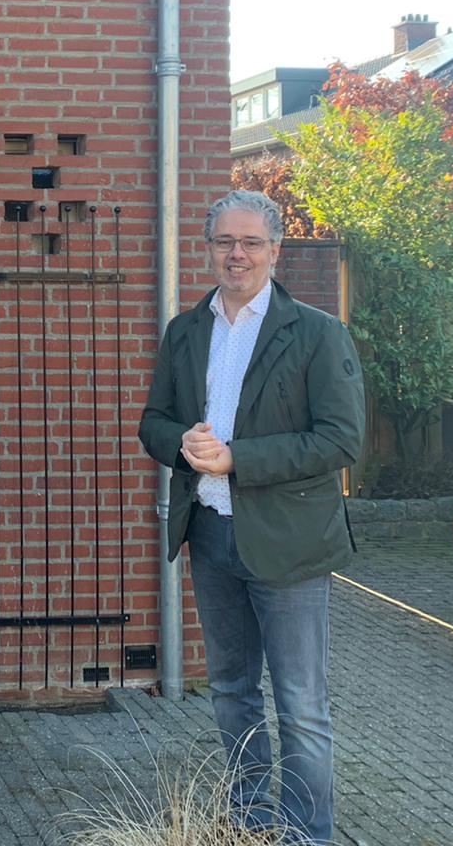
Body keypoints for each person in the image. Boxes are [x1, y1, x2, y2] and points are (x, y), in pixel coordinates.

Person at [138, 190, 364, 845]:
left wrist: (238, 458)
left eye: (251, 242)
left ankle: (306, 835)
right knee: (233, 692)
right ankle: (250, 818)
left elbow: (341, 439)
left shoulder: (318, 333)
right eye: (224, 242)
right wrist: (180, 441)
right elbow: (153, 422)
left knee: (300, 705)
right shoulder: (185, 331)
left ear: (275, 250)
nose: (236, 254)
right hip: (210, 536)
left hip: (290, 545)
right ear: (208, 247)